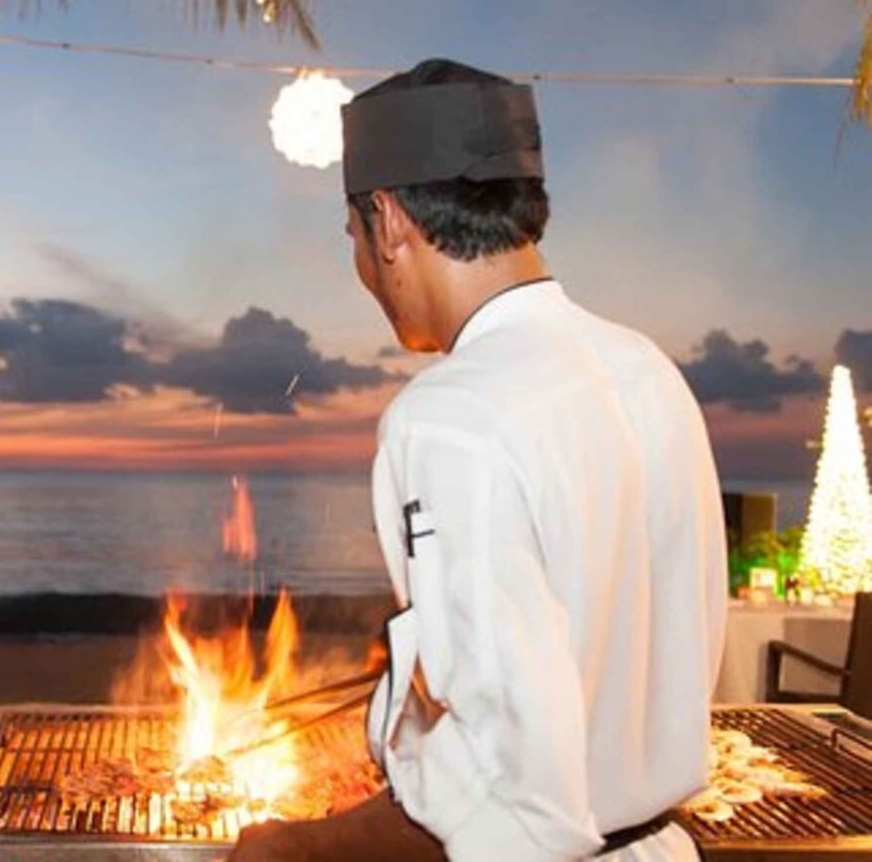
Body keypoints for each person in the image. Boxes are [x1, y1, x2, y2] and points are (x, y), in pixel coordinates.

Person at [227, 58, 727, 861]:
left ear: (388, 221)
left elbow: (515, 804)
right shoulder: (647, 370)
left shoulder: (448, 419)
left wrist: (295, 850)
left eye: (353, 234)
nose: (361, 265)